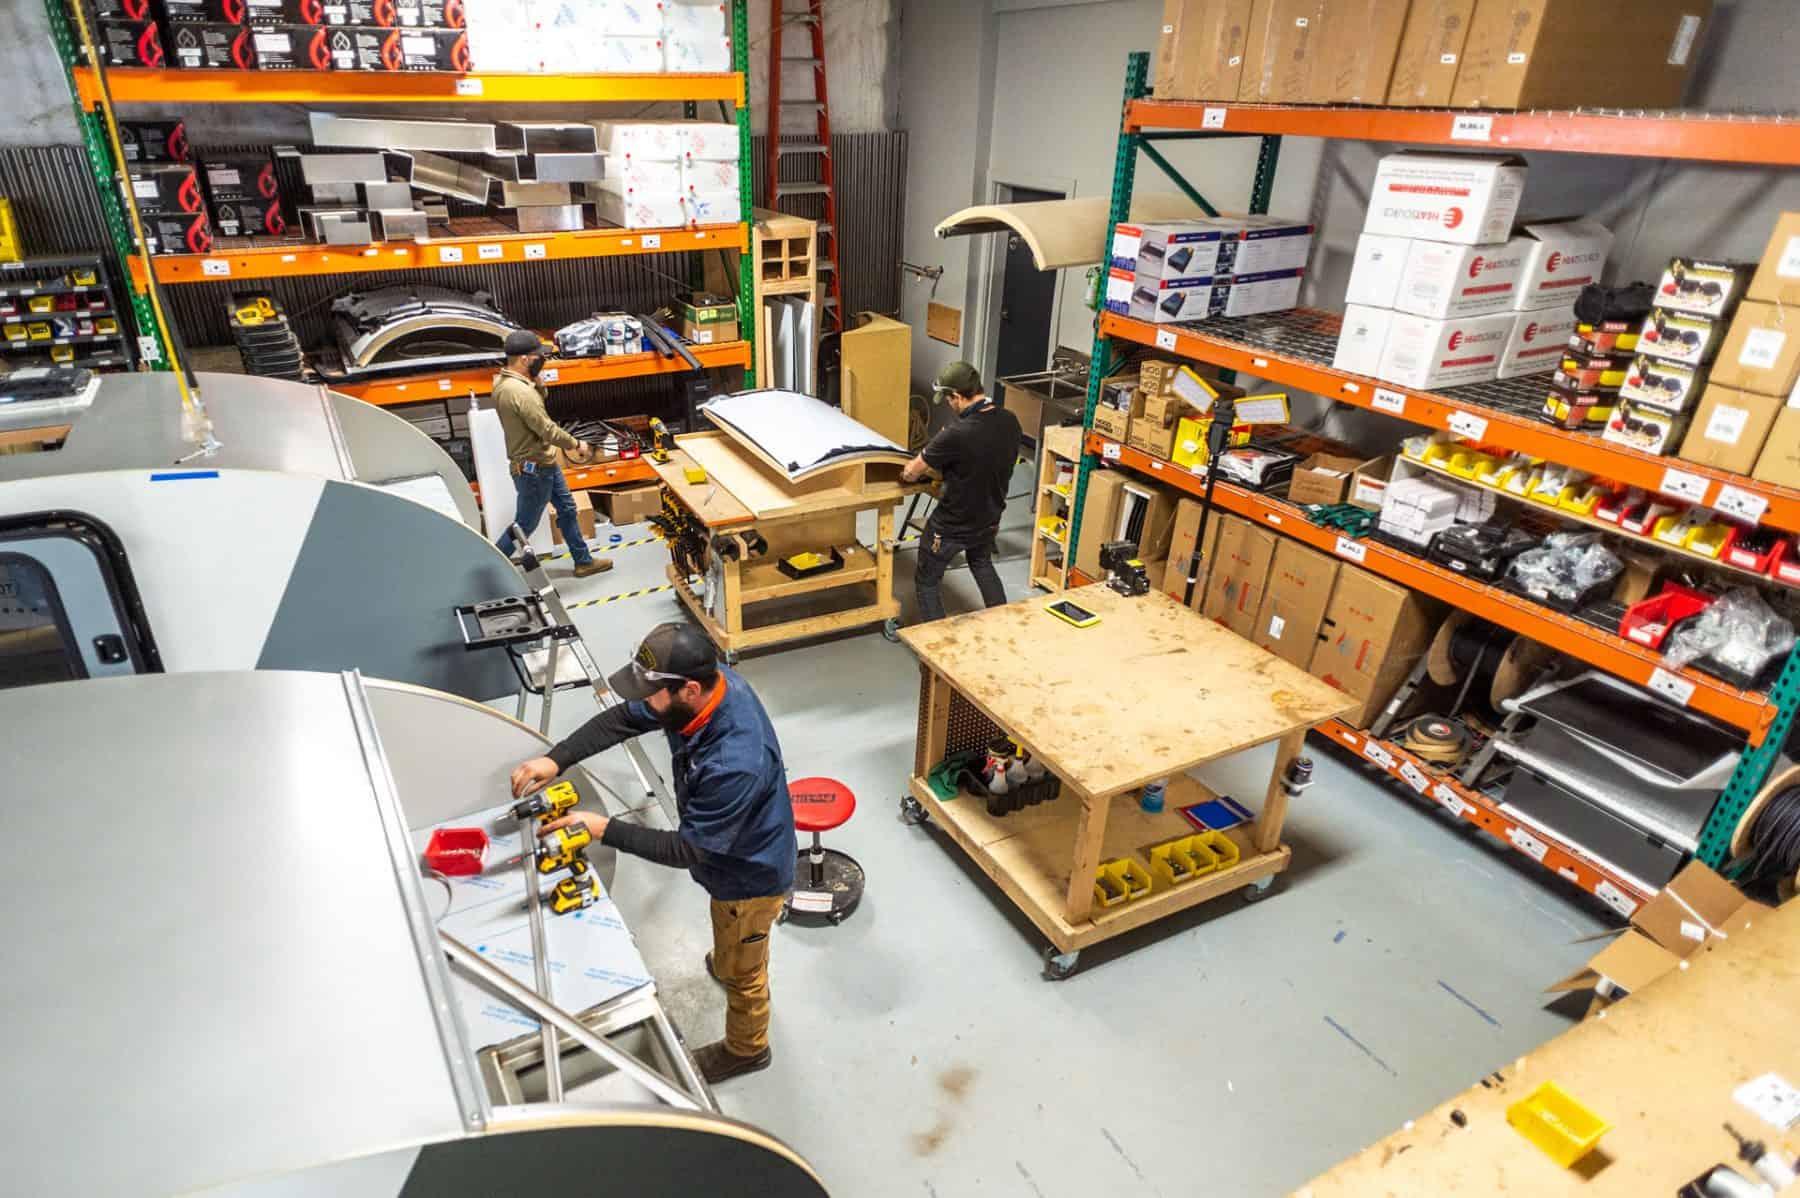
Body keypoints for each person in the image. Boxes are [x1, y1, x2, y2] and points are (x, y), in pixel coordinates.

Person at [510, 622, 795, 1084]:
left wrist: (602, 828)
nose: (646, 703)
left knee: (746, 968)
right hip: (726, 863)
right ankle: (728, 960)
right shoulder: (705, 690)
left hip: (750, 877)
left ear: (690, 689)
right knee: (729, 933)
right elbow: (624, 718)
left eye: (654, 694)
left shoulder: (734, 762)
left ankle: (748, 1049)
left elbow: (688, 849)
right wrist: (558, 758)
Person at [900, 360, 1021, 622]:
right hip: (989, 518)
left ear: (956, 396)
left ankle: (937, 651)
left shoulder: (955, 433)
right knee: (981, 563)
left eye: (947, 399)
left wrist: (918, 463)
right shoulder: (1010, 421)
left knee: (927, 581)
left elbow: (912, 472)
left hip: (951, 525)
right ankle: (1003, 624)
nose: (948, 404)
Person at [493, 329, 612, 576]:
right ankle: (491, 567)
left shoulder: (506, 383)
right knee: (524, 525)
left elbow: (537, 413)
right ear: (525, 359)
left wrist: (538, 383)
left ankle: (583, 561)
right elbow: (547, 429)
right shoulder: (521, 393)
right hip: (534, 470)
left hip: (542, 464)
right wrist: (576, 444)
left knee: (567, 510)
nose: (543, 360)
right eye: (539, 357)